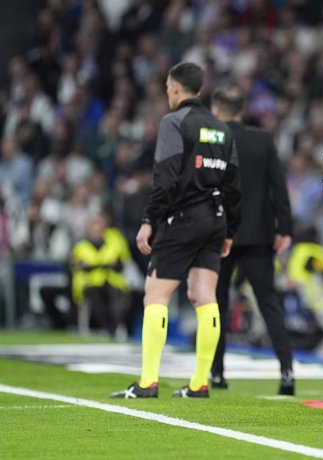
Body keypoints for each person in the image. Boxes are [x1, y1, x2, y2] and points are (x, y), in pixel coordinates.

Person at [111, 62, 241, 399]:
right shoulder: (221, 128)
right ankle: (199, 382)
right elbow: (234, 185)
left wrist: (149, 220)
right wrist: (229, 230)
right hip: (216, 218)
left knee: (156, 295)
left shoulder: (173, 122)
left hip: (183, 217)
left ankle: (148, 382)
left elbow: (165, 177)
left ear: (174, 88)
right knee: (204, 295)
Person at [209, 85, 295, 395]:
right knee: (269, 303)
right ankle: (287, 373)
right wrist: (284, 228)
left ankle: (215, 373)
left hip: (220, 236)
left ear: (216, 111)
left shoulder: (213, 140)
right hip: (259, 234)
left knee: (216, 304)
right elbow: (278, 187)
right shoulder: (262, 139)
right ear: (241, 110)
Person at [70, 212, 131, 338]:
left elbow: (120, 263)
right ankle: (106, 328)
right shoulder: (81, 246)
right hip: (89, 282)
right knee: (94, 295)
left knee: (117, 297)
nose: (97, 229)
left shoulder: (114, 242)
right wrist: (104, 264)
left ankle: (116, 328)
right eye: (94, 226)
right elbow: (80, 267)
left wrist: (95, 265)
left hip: (111, 280)